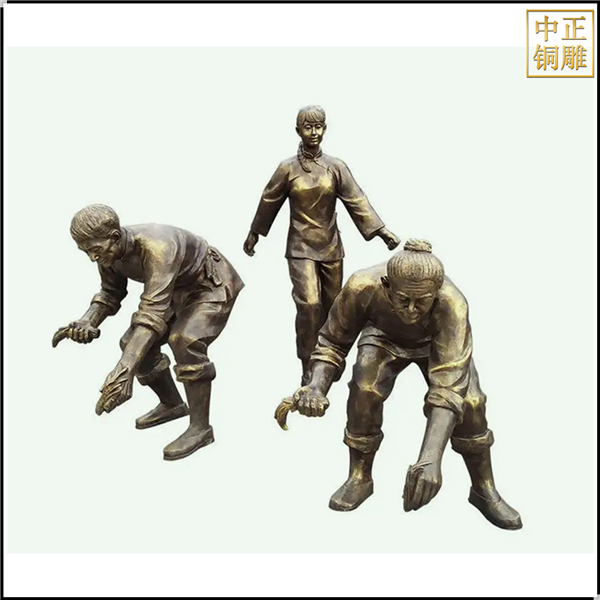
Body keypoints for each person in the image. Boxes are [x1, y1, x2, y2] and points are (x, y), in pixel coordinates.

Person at [276, 239, 522, 530]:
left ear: (437, 292)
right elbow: (332, 342)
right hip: (383, 336)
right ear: (386, 285)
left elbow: (447, 388)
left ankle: (483, 488)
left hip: (437, 343)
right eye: (403, 299)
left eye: (423, 301)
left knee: (471, 402)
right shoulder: (361, 286)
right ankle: (359, 477)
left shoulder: (452, 304)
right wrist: (316, 386)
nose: (412, 310)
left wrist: (430, 460)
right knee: (364, 389)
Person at [52, 204, 244, 461]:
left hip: (210, 284)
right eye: (85, 251)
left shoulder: (158, 247)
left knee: (184, 340)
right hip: (174, 289)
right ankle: (172, 404)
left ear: (115, 237)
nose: (91, 258)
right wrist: (88, 321)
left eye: (94, 250)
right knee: (131, 343)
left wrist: (124, 371)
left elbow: (152, 313)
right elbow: (111, 293)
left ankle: (201, 429)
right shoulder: (107, 253)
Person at [243, 105, 400, 384]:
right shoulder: (288, 168)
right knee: (309, 305)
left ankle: (329, 360)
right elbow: (269, 200)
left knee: (333, 307)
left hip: (330, 247)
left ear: (325, 129)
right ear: (298, 131)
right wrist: (255, 232)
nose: (314, 132)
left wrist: (381, 231)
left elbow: (356, 200)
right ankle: (308, 363)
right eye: (308, 127)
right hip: (300, 248)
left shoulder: (335, 167)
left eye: (318, 127)